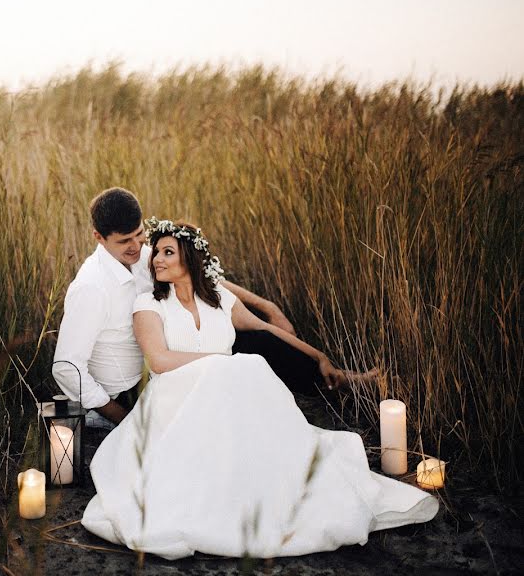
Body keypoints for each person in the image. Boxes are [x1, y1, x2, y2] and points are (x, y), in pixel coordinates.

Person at [80, 219, 437, 559]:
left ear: (189, 257)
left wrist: (320, 356)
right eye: (155, 252)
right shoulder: (149, 304)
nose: (155, 259)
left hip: (227, 397)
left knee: (253, 372)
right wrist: (221, 360)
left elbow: (268, 333)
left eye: (167, 252)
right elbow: (158, 360)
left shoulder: (219, 298)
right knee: (243, 366)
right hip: (176, 402)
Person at [52, 187, 352, 429]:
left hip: (166, 359)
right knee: (232, 358)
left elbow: (199, 275)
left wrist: (267, 306)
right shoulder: (91, 288)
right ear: (98, 238)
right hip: (125, 393)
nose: (136, 246)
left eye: (139, 235)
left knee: (251, 339)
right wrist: (121, 417)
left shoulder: (141, 256)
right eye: (124, 241)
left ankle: (330, 382)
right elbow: (67, 368)